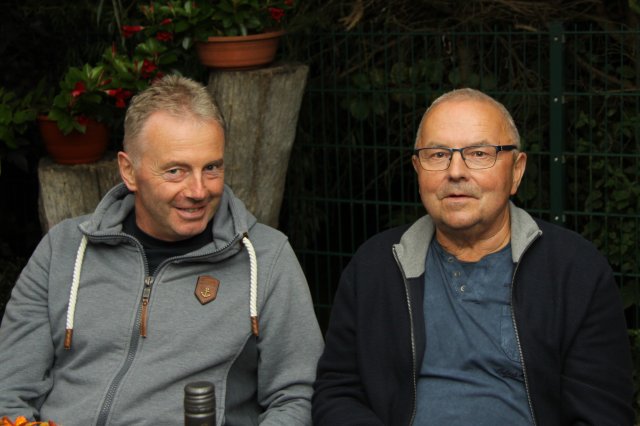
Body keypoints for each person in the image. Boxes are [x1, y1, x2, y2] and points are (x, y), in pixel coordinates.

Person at [0, 75, 323, 425]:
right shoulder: (64, 248)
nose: (198, 191)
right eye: (175, 171)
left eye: (211, 168)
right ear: (129, 171)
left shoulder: (266, 258)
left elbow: (297, 397)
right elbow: (9, 387)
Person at [312, 88, 634, 425]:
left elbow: (602, 413)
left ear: (516, 171)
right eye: (438, 155)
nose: (455, 172)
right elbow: (337, 392)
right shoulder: (375, 267)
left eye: (479, 153)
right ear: (417, 169)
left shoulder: (575, 271)